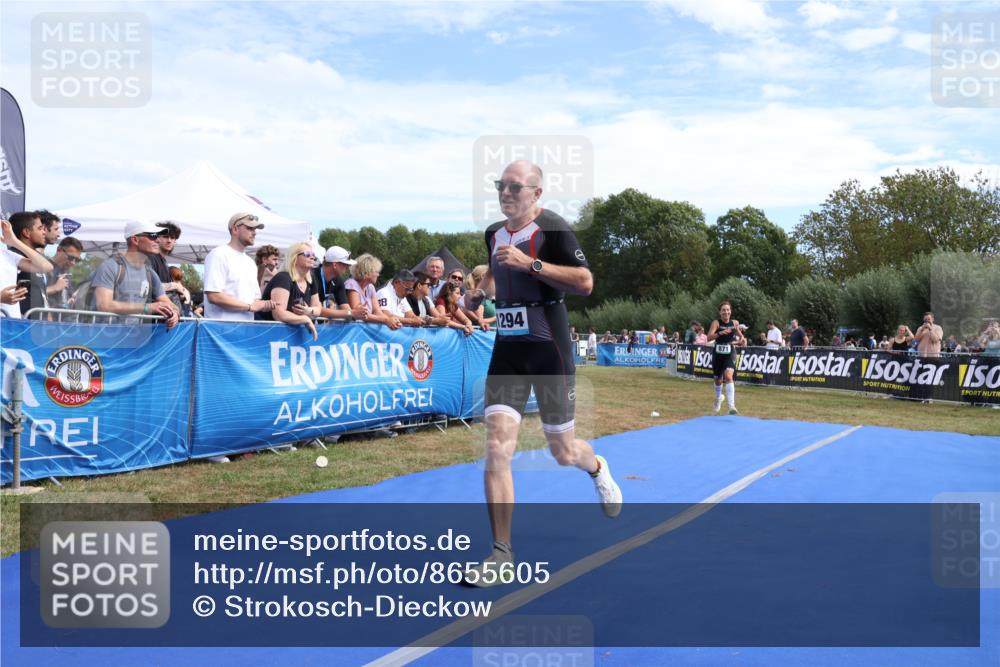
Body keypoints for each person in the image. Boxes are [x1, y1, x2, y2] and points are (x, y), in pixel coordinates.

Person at [465, 160, 621, 588]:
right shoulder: (493, 233)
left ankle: (596, 467)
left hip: (549, 345)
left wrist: (530, 264)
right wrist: (480, 294)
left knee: (562, 451)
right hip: (509, 348)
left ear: (537, 193)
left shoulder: (553, 229)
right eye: (501, 185)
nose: (506, 192)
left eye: (516, 186)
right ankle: (501, 553)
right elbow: (499, 274)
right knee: (497, 446)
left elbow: (586, 282)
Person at [91, 221, 179, 328]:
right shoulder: (110, 266)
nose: (157, 240)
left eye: (157, 236)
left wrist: (174, 313)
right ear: (135, 240)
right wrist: (147, 307)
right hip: (104, 338)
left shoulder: (150, 273)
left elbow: (172, 305)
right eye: (152, 236)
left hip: (134, 339)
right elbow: (104, 305)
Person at [203, 213, 275, 320]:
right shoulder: (218, 254)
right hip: (220, 331)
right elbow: (214, 296)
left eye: (255, 229)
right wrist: (249, 307)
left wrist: (265, 305)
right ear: (235, 229)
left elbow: (254, 301)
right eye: (250, 228)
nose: (254, 233)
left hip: (245, 330)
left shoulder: (250, 263)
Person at [260, 241, 320, 340]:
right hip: (270, 337)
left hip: (290, 338)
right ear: (294, 258)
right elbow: (278, 314)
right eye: (307, 254)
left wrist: (309, 310)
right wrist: (305, 319)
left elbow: (318, 308)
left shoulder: (311, 280)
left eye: (313, 254)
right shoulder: (283, 277)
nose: (312, 257)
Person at [1, 218, 53, 318]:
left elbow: (46, 267)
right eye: (40, 228)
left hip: (12, 323)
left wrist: (14, 241)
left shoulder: (8, 255)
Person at [707, 300, 745, 415]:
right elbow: (709, 337)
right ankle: (718, 399)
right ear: (720, 312)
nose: (726, 312)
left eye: (728, 310)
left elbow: (740, 336)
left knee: (728, 376)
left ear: (731, 311)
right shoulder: (716, 323)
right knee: (718, 380)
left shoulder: (734, 323)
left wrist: (743, 340)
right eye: (723, 310)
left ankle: (731, 407)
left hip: (730, 352)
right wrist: (720, 333)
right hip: (718, 353)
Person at [314, 246, 367, 322]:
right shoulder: (312, 276)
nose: (348, 267)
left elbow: (345, 308)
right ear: (335, 265)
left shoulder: (338, 280)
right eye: (345, 264)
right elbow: (318, 310)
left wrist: (357, 313)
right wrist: (351, 313)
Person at [345, 253, 395, 327]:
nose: (378, 275)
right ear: (367, 272)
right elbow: (359, 314)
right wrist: (386, 320)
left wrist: (391, 320)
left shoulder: (370, 287)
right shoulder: (351, 284)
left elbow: (377, 311)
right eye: (376, 272)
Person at [46, 237, 83, 309]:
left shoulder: (66, 271)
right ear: (59, 250)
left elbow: (65, 298)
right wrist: (55, 288)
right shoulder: (44, 267)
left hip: (62, 317)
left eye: (77, 260)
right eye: (71, 257)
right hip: (45, 317)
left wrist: (73, 297)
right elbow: (32, 292)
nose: (73, 263)